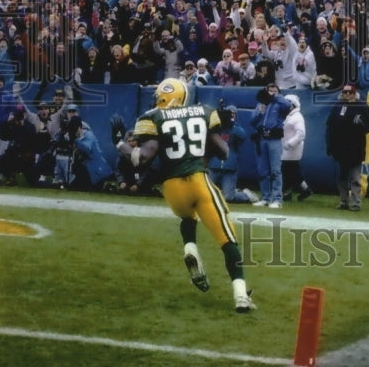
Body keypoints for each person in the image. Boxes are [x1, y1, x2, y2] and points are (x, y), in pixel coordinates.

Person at [111, 77, 256, 312]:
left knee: (189, 217)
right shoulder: (203, 112)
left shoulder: (153, 117)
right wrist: (208, 138)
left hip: (172, 189)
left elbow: (140, 159)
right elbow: (223, 152)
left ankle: (190, 248)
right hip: (198, 181)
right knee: (228, 240)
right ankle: (241, 295)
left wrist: (119, 143)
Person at [325, 83, 369, 212]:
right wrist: (330, 144)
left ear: (355, 94)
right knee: (342, 177)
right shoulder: (337, 106)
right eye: (345, 93)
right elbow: (330, 125)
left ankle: (355, 203)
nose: (347, 95)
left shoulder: (362, 106)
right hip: (340, 147)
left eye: (350, 93)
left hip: (355, 146)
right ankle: (343, 201)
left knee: (355, 177)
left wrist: (362, 126)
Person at [249, 83, 293, 208]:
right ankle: (266, 198)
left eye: (274, 90)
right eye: (269, 90)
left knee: (275, 171)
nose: (271, 92)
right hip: (262, 138)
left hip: (274, 139)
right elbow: (251, 122)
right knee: (263, 171)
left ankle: (278, 200)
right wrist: (260, 112)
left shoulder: (280, 103)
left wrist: (276, 96)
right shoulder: (260, 104)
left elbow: (289, 106)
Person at [207, 103, 258, 204]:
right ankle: (225, 191)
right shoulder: (217, 127)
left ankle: (246, 195)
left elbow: (243, 136)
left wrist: (231, 125)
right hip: (214, 165)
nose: (231, 115)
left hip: (229, 168)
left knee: (229, 197)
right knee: (206, 194)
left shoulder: (236, 128)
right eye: (229, 113)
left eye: (234, 113)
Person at [67, 109, 114, 191]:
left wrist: (77, 139)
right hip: (86, 169)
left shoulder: (89, 134)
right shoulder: (73, 136)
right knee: (72, 188)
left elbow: (87, 149)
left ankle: (105, 186)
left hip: (96, 170)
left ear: (79, 127)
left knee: (90, 189)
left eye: (74, 129)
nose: (73, 132)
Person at [281, 93, 313, 202]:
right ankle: (304, 190)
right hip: (285, 147)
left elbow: (301, 134)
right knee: (292, 171)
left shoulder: (297, 117)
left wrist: (290, 143)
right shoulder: (287, 115)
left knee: (288, 169)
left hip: (292, 148)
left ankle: (287, 192)